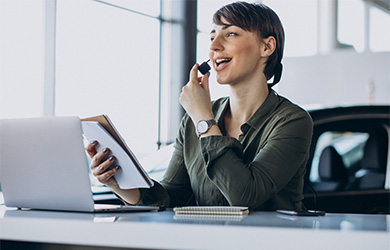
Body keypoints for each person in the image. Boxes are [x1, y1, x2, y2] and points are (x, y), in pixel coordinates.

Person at [87, 1, 313, 211]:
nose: (214, 46)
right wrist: (117, 181)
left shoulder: (293, 121)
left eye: (231, 34)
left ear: (267, 47)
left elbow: (245, 197)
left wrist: (204, 120)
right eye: (212, 36)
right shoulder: (194, 120)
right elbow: (171, 196)